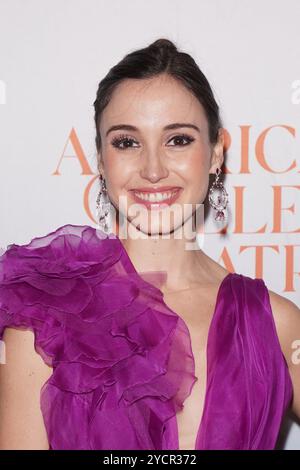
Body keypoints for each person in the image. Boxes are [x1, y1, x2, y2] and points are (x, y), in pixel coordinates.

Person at [0, 38, 299, 450]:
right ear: (101, 161)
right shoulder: (42, 319)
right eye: (127, 142)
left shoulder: (274, 323)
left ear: (215, 154)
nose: (154, 169)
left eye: (178, 140)